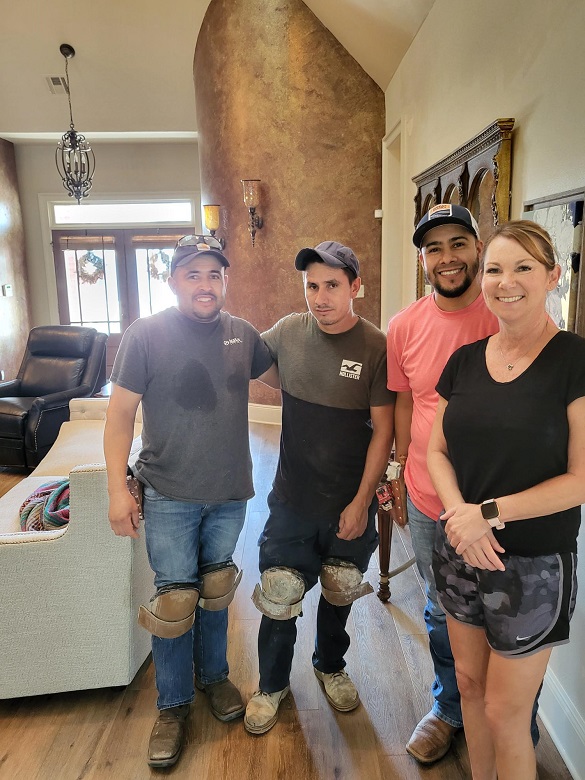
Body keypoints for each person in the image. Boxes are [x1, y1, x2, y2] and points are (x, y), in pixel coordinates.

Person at [104, 235, 276, 768]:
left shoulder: (242, 336)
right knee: (175, 603)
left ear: (224, 281)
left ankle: (215, 678)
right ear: (174, 280)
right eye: (194, 274)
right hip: (169, 494)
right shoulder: (146, 335)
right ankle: (173, 706)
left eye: (215, 275)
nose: (206, 284)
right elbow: (119, 416)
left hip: (229, 494)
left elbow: (292, 377)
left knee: (217, 588)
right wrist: (116, 488)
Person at [427, 220, 585, 780]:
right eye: (494, 268)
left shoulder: (574, 360)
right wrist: (460, 520)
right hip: (461, 550)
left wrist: (488, 514)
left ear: (552, 277)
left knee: (505, 713)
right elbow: (436, 451)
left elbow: (581, 477)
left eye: (523, 268)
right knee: (468, 687)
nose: (506, 281)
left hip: (534, 564)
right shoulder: (465, 361)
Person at [244, 241, 395, 734]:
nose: (321, 297)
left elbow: (385, 432)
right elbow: (248, 360)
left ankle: (330, 666)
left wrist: (361, 502)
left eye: (332, 285)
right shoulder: (289, 331)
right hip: (292, 498)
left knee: (340, 588)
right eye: (312, 286)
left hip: (348, 503)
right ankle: (271, 685)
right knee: (280, 591)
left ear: (356, 287)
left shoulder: (376, 347)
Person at [386, 204, 499, 763]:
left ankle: (501, 717)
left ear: (479, 249)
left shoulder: (507, 314)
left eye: (459, 243)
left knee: (506, 611)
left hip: (503, 501)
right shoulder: (404, 325)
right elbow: (406, 401)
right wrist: (399, 474)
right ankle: (450, 709)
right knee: (440, 608)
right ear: (423, 260)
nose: (447, 257)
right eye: (435, 248)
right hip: (431, 497)